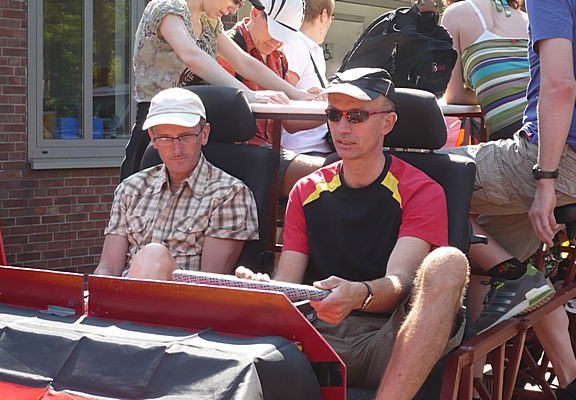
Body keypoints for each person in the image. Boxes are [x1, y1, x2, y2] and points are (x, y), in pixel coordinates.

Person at [237, 68, 470, 399]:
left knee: (448, 262)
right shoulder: (306, 190)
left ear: (387, 123)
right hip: (316, 336)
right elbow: (289, 280)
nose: (342, 128)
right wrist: (264, 291)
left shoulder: (421, 190)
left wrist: (359, 294)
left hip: (391, 339)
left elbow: (401, 282)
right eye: (334, 115)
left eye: (357, 116)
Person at [440, 0, 576, 396]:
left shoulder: (464, 15)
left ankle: (517, 277)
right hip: (545, 159)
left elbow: (560, 86)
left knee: (423, 179)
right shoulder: (518, 16)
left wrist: (545, 180)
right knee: (486, 253)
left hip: (549, 158)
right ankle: (568, 378)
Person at [120, 0, 316, 182]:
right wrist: (248, 94)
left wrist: (297, 94)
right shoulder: (166, 8)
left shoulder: (209, 23)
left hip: (197, 130)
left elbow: (244, 62)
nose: (235, 8)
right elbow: (192, 56)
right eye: (235, 0)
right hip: (161, 127)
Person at [95, 88, 259, 280]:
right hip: (124, 293)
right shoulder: (130, 188)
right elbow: (108, 268)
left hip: (184, 296)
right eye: (165, 138)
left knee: (153, 255)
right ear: (153, 138)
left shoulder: (229, 194)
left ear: (204, 134)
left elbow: (210, 282)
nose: (177, 149)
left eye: (186, 136)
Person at [218, 0, 327, 197]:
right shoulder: (228, 45)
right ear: (254, 14)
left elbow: (288, 122)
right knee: (325, 177)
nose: (277, 42)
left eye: (284, 36)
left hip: (270, 151)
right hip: (236, 154)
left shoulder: (280, 57)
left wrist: (325, 104)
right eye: (275, 32)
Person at [441, 0, 529, 141]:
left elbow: (454, 96)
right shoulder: (527, 19)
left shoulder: (454, 14)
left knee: (441, 154)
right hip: (554, 122)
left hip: (520, 137)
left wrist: (494, 93)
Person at [280, 0, 335, 156]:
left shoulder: (312, 49)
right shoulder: (295, 46)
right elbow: (285, 114)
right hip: (302, 150)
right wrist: (335, 110)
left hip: (319, 148)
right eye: (332, 18)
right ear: (324, 15)